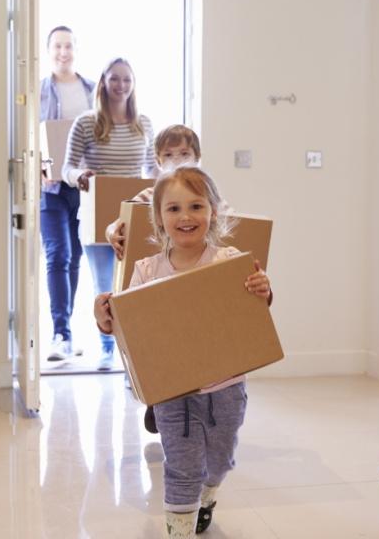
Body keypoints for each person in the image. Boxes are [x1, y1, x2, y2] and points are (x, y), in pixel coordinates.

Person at [93, 166, 273, 538]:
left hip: (226, 387)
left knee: (219, 461)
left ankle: (208, 496)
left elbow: (252, 314)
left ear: (213, 212)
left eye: (196, 206)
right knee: (181, 466)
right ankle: (180, 529)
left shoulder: (229, 260)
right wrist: (105, 318)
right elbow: (129, 331)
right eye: (173, 209)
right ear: (159, 219)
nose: (185, 216)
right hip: (173, 394)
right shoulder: (146, 270)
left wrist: (262, 291)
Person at [62, 57, 156, 371]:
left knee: (137, 287)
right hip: (98, 216)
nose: (120, 85)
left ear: (133, 84)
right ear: (103, 82)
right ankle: (106, 348)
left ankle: (133, 357)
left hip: (136, 219)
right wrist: (79, 177)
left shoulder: (143, 123)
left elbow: (153, 170)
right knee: (105, 286)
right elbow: (67, 167)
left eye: (126, 79)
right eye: (114, 79)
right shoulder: (87, 123)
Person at [39, 26, 95, 361]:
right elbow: (28, 130)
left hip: (84, 186)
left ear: (76, 49)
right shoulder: (40, 90)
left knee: (75, 256)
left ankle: (67, 329)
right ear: (49, 51)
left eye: (68, 46)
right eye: (58, 46)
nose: (63, 52)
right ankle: (60, 332)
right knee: (56, 254)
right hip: (51, 187)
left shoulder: (90, 90)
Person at [105, 124, 202, 260]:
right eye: (168, 155)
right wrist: (111, 233)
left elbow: (232, 220)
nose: (176, 160)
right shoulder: (150, 195)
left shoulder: (206, 194)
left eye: (184, 154)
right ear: (158, 161)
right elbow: (118, 223)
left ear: (197, 157)